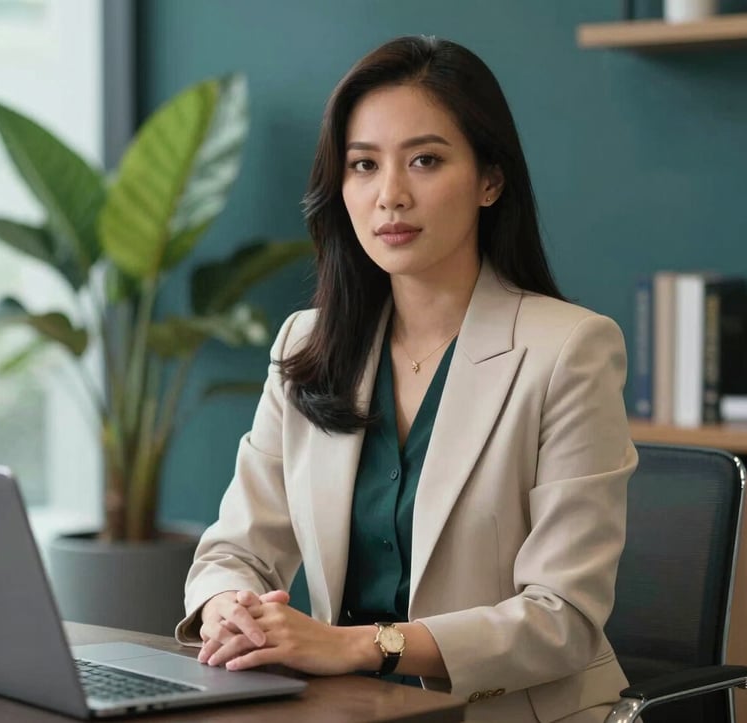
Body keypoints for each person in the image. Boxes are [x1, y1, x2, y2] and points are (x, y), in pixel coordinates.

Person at [175, 35, 638, 723]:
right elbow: (235, 548)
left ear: (490, 180)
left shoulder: (570, 350)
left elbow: (561, 617)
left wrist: (357, 645)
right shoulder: (307, 344)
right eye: (364, 165)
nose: (389, 195)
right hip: (348, 707)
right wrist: (229, 608)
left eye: (425, 160)